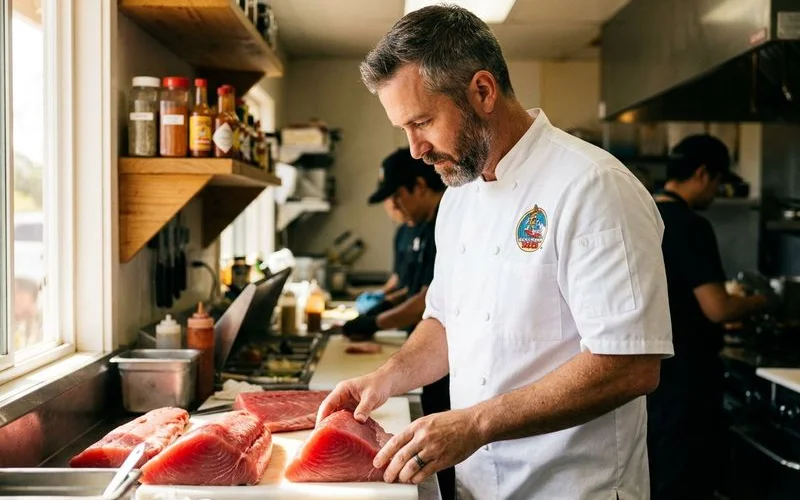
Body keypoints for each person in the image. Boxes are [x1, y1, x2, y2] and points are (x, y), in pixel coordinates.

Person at [317, 5, 674, 500]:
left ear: (483, 91)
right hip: (477, 485)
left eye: (422, 121)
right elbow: (445, 321)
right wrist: (385, 378)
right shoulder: (458, 197)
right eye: (403, 129)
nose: (415, 149)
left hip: (571, 489)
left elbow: (629, 363)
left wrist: (476, 423)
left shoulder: (593, 185)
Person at [647, 135, 770, 500]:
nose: (715, 192)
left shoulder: (644, 215)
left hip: (652, 378)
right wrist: (761, 302)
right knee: (687, 483)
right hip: (688, 379)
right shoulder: (691, 225)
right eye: (717, 182)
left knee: (659, 477)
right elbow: (718, 307)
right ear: (702, 174)